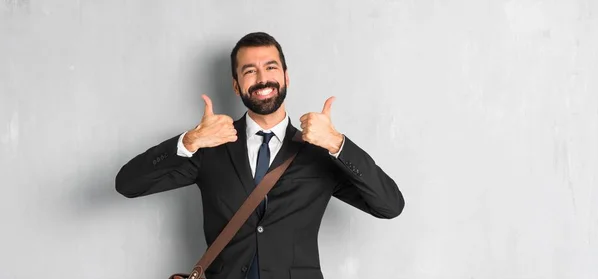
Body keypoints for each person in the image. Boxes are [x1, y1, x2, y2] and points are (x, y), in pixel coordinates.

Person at [115, 31, 405, 279]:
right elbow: (128, 184)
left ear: (286, 77)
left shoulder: (319, 151)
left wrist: (337, 143)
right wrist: (189, 141)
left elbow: (390, 205)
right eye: (249, 70)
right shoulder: (212, 146)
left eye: (270, 67)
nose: (262, 78)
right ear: (236, 84)